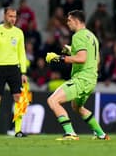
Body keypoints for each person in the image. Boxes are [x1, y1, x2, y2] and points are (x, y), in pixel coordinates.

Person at [45, 10, 110, 140]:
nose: (67, 23)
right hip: (91, 80)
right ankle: (101, 134)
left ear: (76, 20)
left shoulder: (78, 36)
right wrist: (72, 50)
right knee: (77, 106)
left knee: (52, 100)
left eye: (69, 20)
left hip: (81, 78)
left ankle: (70, 133)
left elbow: (82, 58)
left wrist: (59, 58)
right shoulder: (92, 37)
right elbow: (96, 60)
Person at [0, 7, 28, 138]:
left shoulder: (19, 32)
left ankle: (18, 130)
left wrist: (23, 72)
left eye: (14, 16)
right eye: (10, 16)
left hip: (14, 68)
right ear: (4, 16)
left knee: (19, 98)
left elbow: (22, 52)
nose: (13, 19)